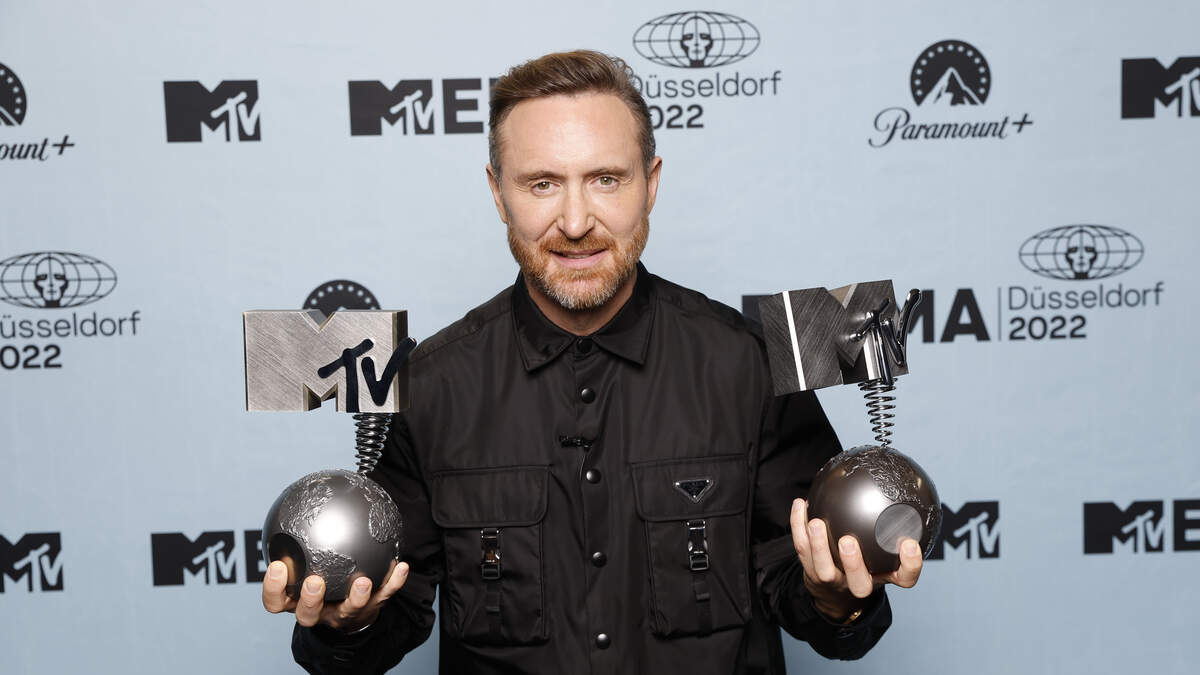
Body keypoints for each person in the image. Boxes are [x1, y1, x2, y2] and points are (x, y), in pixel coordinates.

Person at [262, 49, 923, 674]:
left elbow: (813, 597)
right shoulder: (430, 383)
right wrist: (344, 626)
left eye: (606, 179)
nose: (576, 221)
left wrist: (839, 600)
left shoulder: (750, 364)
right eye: (542, 183)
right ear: (498, 193)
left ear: (650, 184)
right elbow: (391, 613)